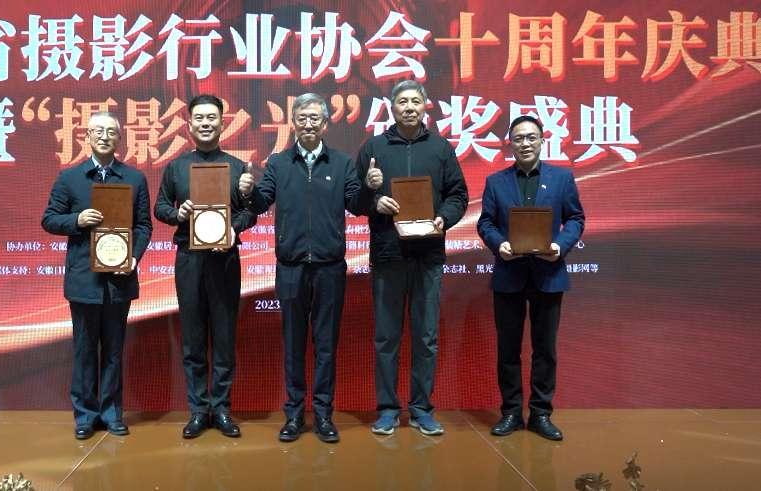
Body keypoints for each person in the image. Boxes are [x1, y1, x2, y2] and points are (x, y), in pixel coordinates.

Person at [240, 93, 364, 443]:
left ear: (325, 124)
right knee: (293, 345)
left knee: (326, 346)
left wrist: (370, 188)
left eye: (315, 118)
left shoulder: (342, 163)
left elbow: (356, 204)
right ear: (293, 123)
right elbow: (261, 202)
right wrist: (247, 191)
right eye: (302, 118)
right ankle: (294, 415)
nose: (308, 124)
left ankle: (323, 415)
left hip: (330, 269)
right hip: (291, 268)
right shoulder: (278, 163)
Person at [357, 80, 469, 436]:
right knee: (386, 337)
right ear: (392, 107)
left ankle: (421, 409)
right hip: (388, 255)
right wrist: (373, 195)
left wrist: (444, 218)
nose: (409, 107)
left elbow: (458, 195)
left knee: (426, 337)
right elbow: (354, 200)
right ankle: (388, 410)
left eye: (415, 101)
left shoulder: (441, 148)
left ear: (425, 106)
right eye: (402, 101)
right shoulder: (374, 148)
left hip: (428, 255)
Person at [42, 112, 152, 440]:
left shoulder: (134, 179)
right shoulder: (70, 178)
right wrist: (77, 220)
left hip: (119, 280)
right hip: (84, 280)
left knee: (114, 351)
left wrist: (133, 257)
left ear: (119, 138)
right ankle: (85, 415)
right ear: (87, 137)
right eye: (98, 131)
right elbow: (49, 219)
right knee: (85, 350)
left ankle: (112, 413)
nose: (104, 136)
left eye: (111, 132)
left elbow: (144, 226)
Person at [476, 115, 585, 441]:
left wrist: (560, 246)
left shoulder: (562, 178)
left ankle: (540, 414)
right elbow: (485, 223)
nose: (525, 143)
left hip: (548, 273)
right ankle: (511, 412)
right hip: (508, 273)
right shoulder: (496, 182)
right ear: (510, 144)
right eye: (519, 138)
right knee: (508, 349)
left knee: (545, 349)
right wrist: (499, 244)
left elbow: (576, 219)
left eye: (531, 137)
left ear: (542, 141)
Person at [154, 95, 256, 439]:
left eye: (212, 117)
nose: (206, 123)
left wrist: (235, 226)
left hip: (225, 259)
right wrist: (177, 214)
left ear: (222, 123)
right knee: (194, 337)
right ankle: (198, 410)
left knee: (224, 337)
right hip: (190, 259)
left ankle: (222, 408)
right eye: (199, 118)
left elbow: (250, 211)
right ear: (190, 124)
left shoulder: (238, 168)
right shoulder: (176, 167)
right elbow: (160, 207)